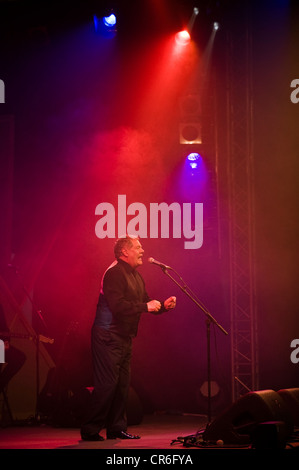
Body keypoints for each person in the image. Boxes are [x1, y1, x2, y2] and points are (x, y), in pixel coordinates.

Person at [80, 236, 176, 441]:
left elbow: (145, 301)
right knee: (107, 384)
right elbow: (118, 306)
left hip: (123, 336)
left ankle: (116, 428)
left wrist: (162, 306)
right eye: (138, 247)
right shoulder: (114, 273)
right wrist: (146, 307)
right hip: (107, 335)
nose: (143, 250)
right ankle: (90, 430)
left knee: (122, 385)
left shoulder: (135, 275)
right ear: (124, 252)